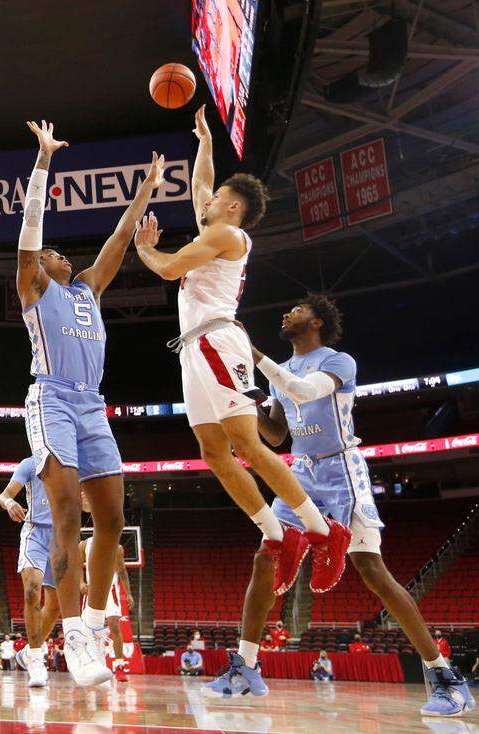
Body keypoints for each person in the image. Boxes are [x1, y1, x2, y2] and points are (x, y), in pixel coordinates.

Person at [201, 296, 475, 718]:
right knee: (264, 559)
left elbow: (305, 391)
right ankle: (245, 667)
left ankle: (444, 676)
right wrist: (241, 400)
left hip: (342, 468)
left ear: (318, 321)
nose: (286, 312)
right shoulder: (280, 375)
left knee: (371, 570)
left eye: (296, 309)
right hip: (301, 472)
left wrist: (252, 354)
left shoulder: (339, 361)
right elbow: (275, 436)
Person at [135, 106, 350, 598]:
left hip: (217, 339)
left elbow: (167, 269)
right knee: (214, 453)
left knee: (247, 444)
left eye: (217, 200)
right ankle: (278, 537)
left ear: (232, 208)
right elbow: (200, 187)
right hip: (193, 348)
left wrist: (146, 249)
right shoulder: (214, 228)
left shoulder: (228, 235)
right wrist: (205, 143)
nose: (207, 201)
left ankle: (322, 530)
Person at [16, 120, 165, 686]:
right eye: (49, 253)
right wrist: (43, 163)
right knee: (66, 514)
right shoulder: (34, 288)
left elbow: (122, 236)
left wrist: (148, 186)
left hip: (92, 406)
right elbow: (29, 234)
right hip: (50, 399)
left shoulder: (88, 290)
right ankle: (74, 634)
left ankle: (97, 620)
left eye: (57, 253)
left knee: (113, 518)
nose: (54, 254)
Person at [0, 455, 59, 687]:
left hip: (61, 535)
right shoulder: (30, 464)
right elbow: (5, 495)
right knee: (32, 590)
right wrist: (10, 503)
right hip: (34, 532)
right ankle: (36, 659)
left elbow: (85, 502)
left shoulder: (73, 461)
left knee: (55, 605)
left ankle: (26, 652)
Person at [79, 495, 133, 682]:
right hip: (92, 590)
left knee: (114, 627)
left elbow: (123, 572)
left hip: (111, 591)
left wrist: (129, 594)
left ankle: (119, 666)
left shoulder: (117, 548)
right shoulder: (84, 545)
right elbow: (78, 567)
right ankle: (90, 664)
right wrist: (80, 583)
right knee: (88, 630)